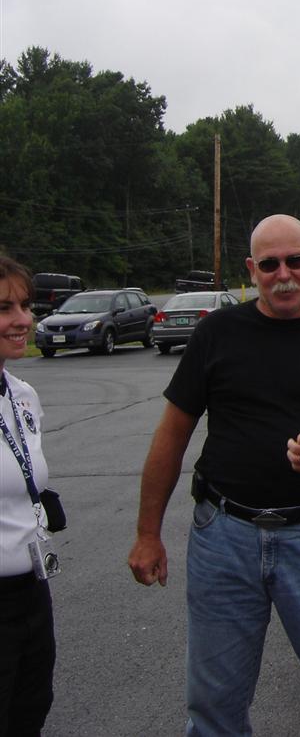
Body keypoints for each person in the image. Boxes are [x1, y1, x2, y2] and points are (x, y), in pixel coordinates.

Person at [128, 214, 300, 737]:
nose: (284, 275)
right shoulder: (217, 333)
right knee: (214, 709)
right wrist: (147, 533)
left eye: (295, 261)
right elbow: (172, 435)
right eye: (269, 265)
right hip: (224, 538)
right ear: (251, 269)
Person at [0, 256, 57, 735]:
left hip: (32, 591)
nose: (23, 320)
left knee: (30, 711)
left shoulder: (22, 395)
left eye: (25, 305)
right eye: (4, 308)